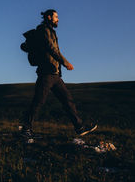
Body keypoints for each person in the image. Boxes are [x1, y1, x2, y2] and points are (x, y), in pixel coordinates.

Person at [21, 9, 97, 139]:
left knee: (67, 100)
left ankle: (79, 127)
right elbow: (52, 49)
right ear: (49, 17)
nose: (58, 19)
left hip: (55, 74)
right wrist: (65, 62)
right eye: (56, 17)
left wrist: (62, 65)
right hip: (46, 74)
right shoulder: (43, 30)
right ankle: (26, 129)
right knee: (38, 101)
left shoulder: (50, 31)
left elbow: (54, 50)